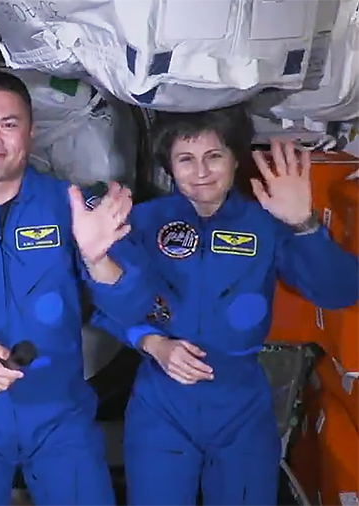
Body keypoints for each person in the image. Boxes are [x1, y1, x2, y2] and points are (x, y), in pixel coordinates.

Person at [0, 69, 155, 505]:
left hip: (62, 419)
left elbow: (136, 305)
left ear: (31, 132)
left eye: (9, 124)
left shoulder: (71, 207)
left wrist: (97, 259)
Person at [91, 105, 359, 505]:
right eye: (186, 159)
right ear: (169, 165)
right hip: (162, 401)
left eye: (214, 156)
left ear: (235, 158)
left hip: (241, 403)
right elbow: (109, 304)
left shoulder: (267, 222)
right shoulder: (143, 222)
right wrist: (152, 343)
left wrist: (304, 224)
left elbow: (340, 292)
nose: (201, 172)